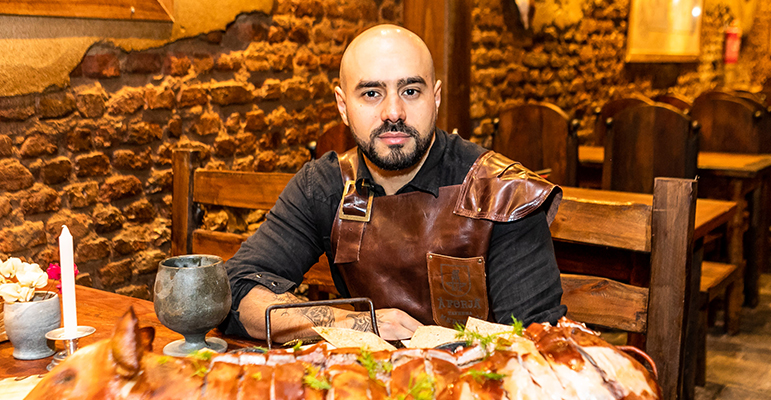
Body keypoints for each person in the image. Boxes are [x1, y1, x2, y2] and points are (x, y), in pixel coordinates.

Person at [221, 25, 565, 343]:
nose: (393, 111)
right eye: (371, 93)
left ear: (436, 97)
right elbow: (237, 290)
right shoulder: (325, 186)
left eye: (411, 90)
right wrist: (355, 324)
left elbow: (534, 341)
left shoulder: (504, 192)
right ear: (343, 106)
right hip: (362, 391)